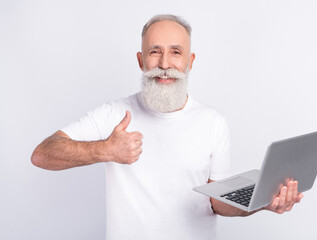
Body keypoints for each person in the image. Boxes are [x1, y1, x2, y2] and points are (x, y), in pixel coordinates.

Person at [31, 14, 303, 240]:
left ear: (189, 62)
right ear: (141, 60)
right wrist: (106, 150)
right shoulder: (114, 113)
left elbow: (217, 201)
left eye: (175, 52)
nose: (164, 64)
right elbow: (42, 154)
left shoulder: (213, 121)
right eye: (154, 52)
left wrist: (262, 201)